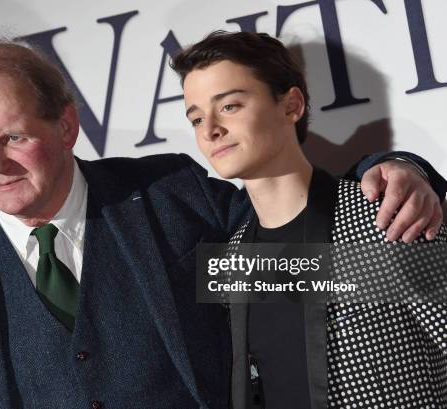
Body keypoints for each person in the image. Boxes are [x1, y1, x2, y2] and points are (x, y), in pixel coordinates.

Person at [0, 38, 445, 409]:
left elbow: (295, 233)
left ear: (66, 126)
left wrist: (390, 171)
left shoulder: (170, 196)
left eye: (14, 137)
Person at [172, 31, 447, 409]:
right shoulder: (229, 259)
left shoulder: (382, 217)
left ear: (291, 106)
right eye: (196, 118)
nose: (210, 130)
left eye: (230, 106)